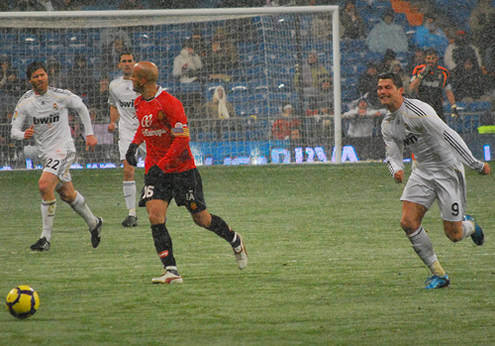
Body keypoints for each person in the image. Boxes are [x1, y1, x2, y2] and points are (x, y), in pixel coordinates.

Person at [125, 61, 248, 284]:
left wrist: (164, 165)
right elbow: (143, 128)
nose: (130, 79)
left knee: (201, 218)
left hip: (182, 170)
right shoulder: (139, 102)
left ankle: (234, 239)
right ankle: (171, 270)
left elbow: (182, 140)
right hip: (155, 170)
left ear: (143, 80)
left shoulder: (171, 104)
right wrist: (134, 145)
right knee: (155, 215)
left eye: (133, 77)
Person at [377, 71, 490, 289]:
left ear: (400, 90)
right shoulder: (388, 124)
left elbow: (449, 135)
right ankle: (439, 274)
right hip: (422, 171)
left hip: (448, 170)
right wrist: (397, 171)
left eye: (387, 87)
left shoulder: (418, 111)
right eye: (380, 88)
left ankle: (471, 225)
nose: (382, 92)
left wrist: (475, 164)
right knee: (408, 223)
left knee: (454, 235)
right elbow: (392, 157)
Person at [10, 61, 103, 251]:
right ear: (30, 80)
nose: (40, 78)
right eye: (36, 76)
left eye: (42, 75)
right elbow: (14, 131)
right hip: (46, 154)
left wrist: (90, 134)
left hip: (64, 149)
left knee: (44, 185)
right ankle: (94, 223)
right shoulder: (26, 102)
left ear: (47, 76)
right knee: (68, 194)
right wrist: (23, 135)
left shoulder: (60, 95)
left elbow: (81, 108)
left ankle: (45, 238)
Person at [108, 52, 145, 228]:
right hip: (127, 132)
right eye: (124, 61)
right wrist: (112, 122)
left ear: (135, 63)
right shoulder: (114, 86)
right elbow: (114, 105)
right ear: (119, 65)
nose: (128, 64)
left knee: (158, 170)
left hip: (147, 130)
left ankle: (158, 207)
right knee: (128, 169)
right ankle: (132, 214)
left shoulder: (145, 82)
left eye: (130, 61)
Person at [409, 48, 458, 121]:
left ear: (437, 59)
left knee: (440, 129)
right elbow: (411, 88)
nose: (430, 61)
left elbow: (448, 91)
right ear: (425, 59)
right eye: (428, 58)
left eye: (433, 58)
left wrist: (453, 106)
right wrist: (420, 76)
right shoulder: (418, 69)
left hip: (437, 105)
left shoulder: (443, 72)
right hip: (422, 104)